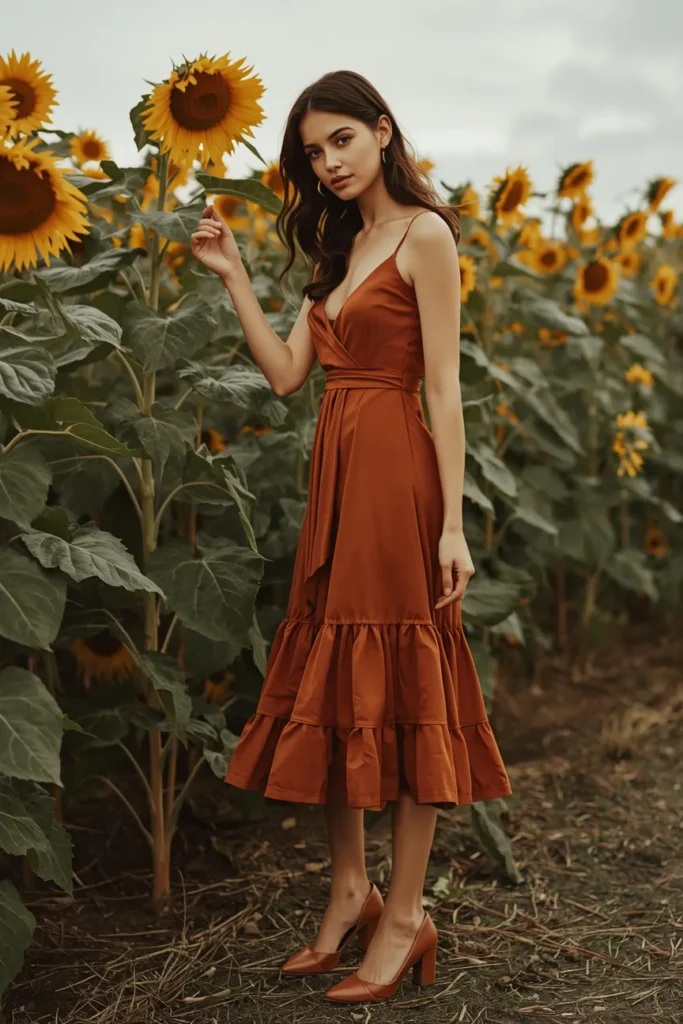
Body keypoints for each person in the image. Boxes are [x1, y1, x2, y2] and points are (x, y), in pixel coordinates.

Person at [190, 68, 512, 1006]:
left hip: (397, 481)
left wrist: (452, 524)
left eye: (340, 140)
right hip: (334, 477)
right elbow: (290, 375)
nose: (327, 163)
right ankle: (349, 891)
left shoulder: (425, 236)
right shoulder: (337, 248)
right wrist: (237, 280)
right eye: (312, 152)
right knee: (335, 684)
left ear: (381, 131)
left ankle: (406, 916)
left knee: (406, 685)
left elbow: (443, 390)